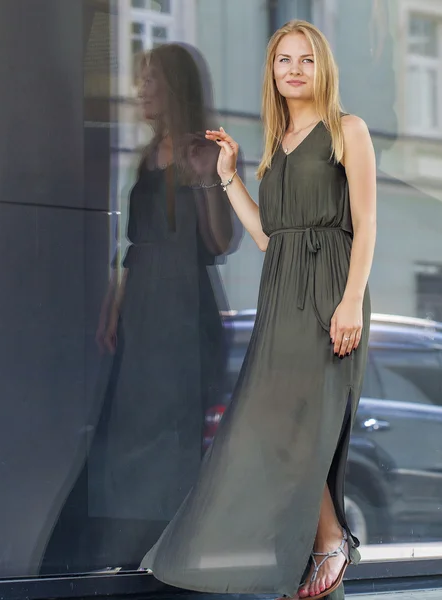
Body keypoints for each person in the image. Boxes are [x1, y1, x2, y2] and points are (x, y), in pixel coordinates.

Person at [140, 19, 376, 600]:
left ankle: (327, 542)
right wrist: (228, 179)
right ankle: (325, 541)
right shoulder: (276, 145)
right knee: (276, 425)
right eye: (282, 60)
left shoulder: (348, 129)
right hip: (282, 291)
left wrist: (350, 301)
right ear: (272, 72)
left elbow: (367, 223)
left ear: (322, 69)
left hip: (330, 291)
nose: (293, 70)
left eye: (305, 60)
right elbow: (271, 237)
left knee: (305, 426)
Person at [40, 42, 239, 573]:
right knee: (123, 434)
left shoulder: (204, 151)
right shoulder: (148, 154)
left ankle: (163, 557)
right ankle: (117, 555)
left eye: (150, 78)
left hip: (184, 311)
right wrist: (115, 303)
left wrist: (206, 179)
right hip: (144, 309)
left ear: (175, 86)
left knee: (169, 439)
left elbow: (220, 243)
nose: (140, 89)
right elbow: (135, 244)